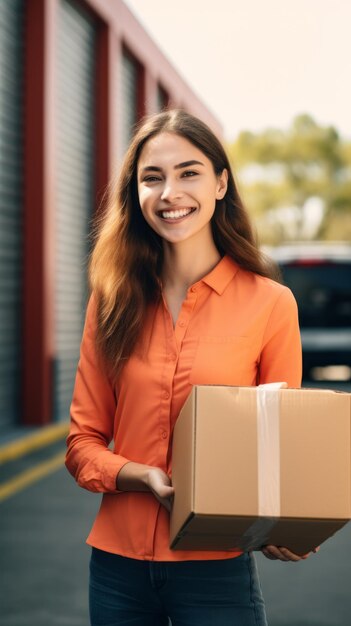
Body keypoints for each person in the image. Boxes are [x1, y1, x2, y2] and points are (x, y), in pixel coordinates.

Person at [66, 109, 318, 626]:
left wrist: (283, 525)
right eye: (151, 178)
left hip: (216, 569)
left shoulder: (271, 304)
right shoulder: (111, 301)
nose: (169, 193)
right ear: (134, 194)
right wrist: (141, 477)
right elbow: (82, 443)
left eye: (189, 172)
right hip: (117, 570)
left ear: (221, 183)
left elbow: (278, 445)